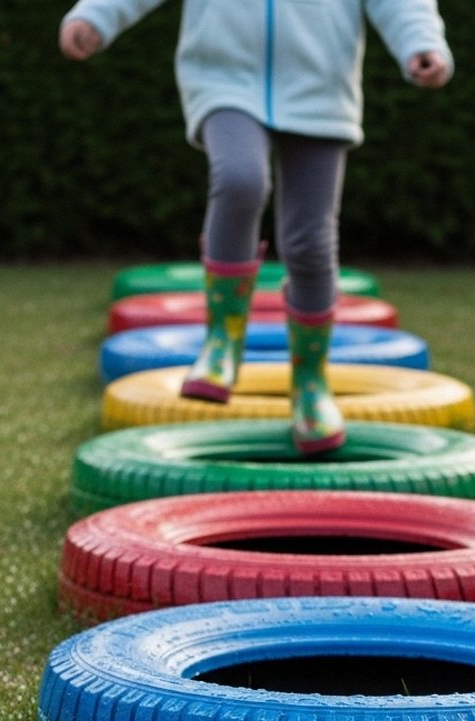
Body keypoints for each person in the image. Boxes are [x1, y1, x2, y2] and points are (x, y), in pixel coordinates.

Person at [60, 1, 453, 454]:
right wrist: (95, 16)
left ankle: (310, 385)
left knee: (309, 242)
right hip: (223, 79)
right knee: (240, 179)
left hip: (320, 87)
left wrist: (422, 44)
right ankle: (222, 340)